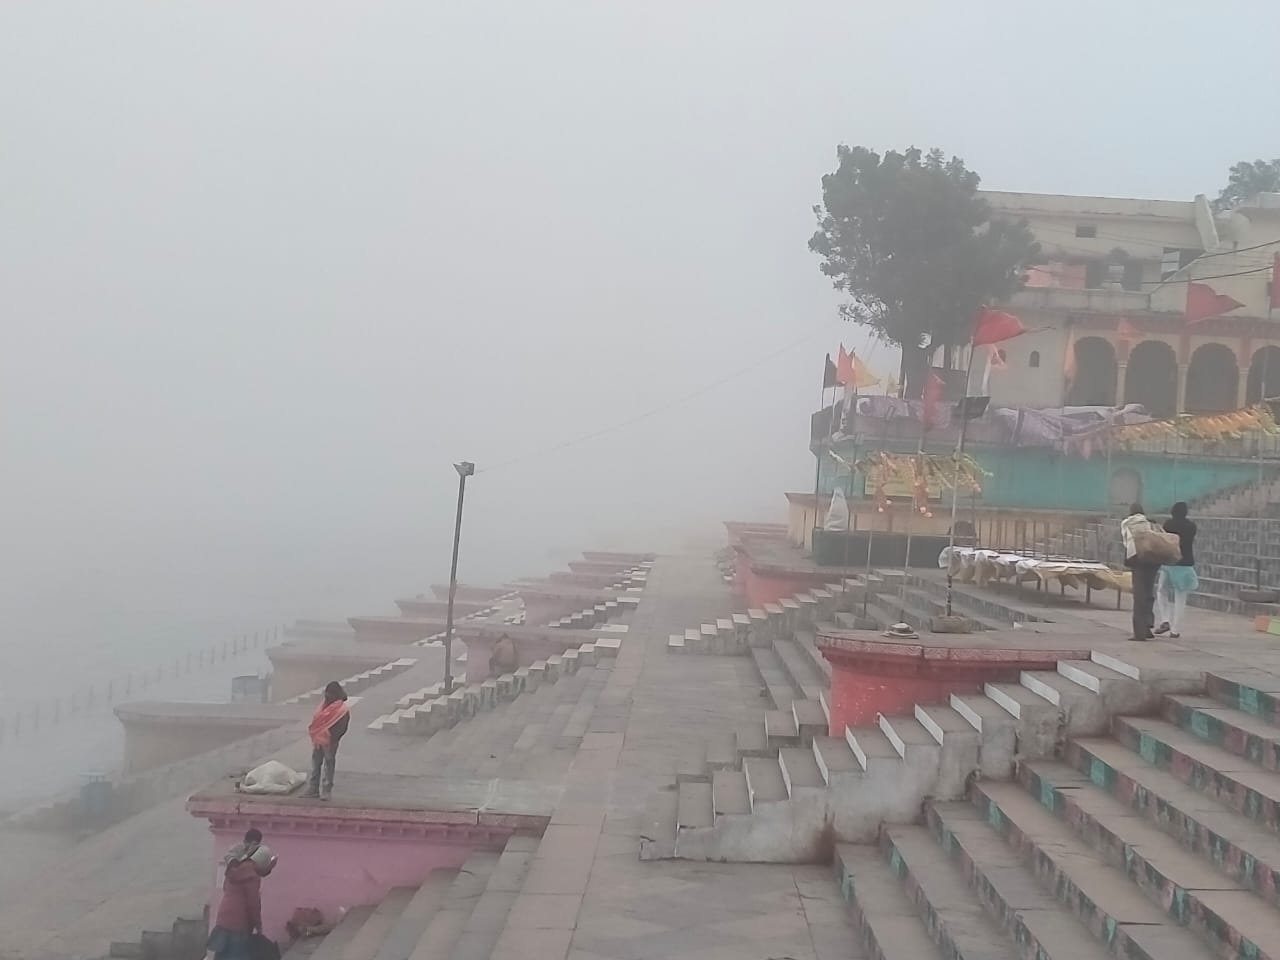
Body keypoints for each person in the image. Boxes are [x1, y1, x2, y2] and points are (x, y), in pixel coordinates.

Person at [207, 828, 275, 960]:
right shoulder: (252, 877)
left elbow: (226, 887)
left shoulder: (235, 867)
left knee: (221, 955)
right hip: (239, 923)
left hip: (223, 919)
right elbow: (253, 904)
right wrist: (258, 925)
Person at [1155, 501, 1198, 639]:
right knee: (1181, 597)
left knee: (1162, 590)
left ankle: (1165, 619)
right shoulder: (1192, 526)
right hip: (1185, 563)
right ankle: (1175, 629)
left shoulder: (1168, 524)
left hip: (1169, 562)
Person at [303, 681, 349, 800]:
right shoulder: (323, 706)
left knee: (328, 765)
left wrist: (331, 738)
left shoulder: (342, 709)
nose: (327, 696)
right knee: (316, 764)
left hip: (331, 742)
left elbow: (342, 727)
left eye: (330, 694)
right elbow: (316, 720)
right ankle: (313, 789)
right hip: (318, 740)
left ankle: (326, 791)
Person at [1121, 502, 1160, 642]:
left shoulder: (1127, 523)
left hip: (1138, 562)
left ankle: (1139, 633)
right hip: (1153, 562)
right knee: (1149, 594)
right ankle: (1148, 626)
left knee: (1139, 597)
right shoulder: (1151, 523)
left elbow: (1126, 543)